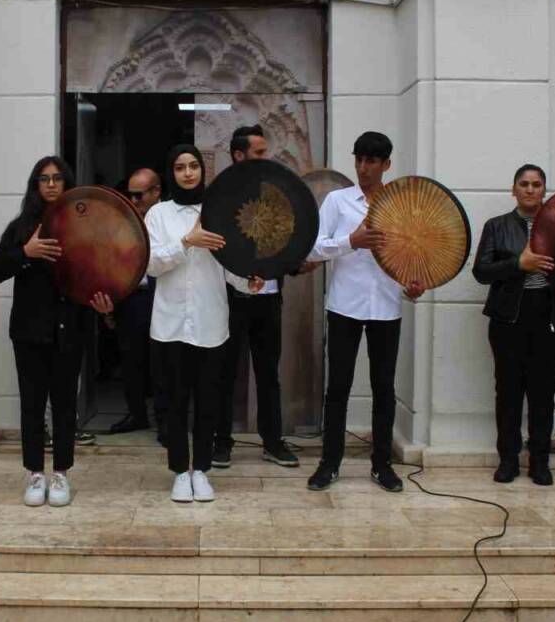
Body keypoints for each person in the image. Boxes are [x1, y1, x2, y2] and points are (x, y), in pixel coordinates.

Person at [0, 157, 111, 507]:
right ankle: (34, 474)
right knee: (31, 405)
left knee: (65, 406)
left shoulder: (87, 227)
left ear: (68, 185)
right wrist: (26, 252)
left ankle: (61, 474)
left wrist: (104, 304)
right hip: (29, 331)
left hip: (71, 329)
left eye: (57, 178)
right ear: (35, 185)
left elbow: (100, 275)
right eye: (44, 179)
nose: (51, 185)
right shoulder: (21, 228)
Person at [304, 132, 423, 494]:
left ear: (386, 165)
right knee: (337, 388)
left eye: (372, 161)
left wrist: (415, 286)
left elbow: (412, 255)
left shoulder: (403, 205)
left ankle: (382, 465)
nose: (363, 168)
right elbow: (312, 250)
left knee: (383, 389)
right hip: (344, 307)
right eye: (358, 160)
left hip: (387, 308)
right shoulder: (337, 202)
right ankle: (329, 463)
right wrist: (348, 242)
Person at [473, 164, 555, 486]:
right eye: (523, 184)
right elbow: (481, 271)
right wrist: (518, 264)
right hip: (508, 316)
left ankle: (540, 461)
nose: (529, 189)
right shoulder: (496, 227)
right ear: (514, 190)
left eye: (536, 184)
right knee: (508, 391)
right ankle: (508, 461)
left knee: (543, 391)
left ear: (544, 191)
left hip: (548, 316)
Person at [146, 145, 235, 503]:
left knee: (209, 400)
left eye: (193, 166)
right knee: (174, 402)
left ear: (202, 170)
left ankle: (202, 470)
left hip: (211, 320)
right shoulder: (158, 214)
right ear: (172, 172)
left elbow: (233, 262)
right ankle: (180, 471)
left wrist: (251, 282)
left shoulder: (220, 211)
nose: (187, 173)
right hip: (169, 324)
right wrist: (187, 241)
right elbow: (149, 264)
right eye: (180, 167)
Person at [213, 125, 299, 470]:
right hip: (230, 297)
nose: (267, 158)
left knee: (268, 374)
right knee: (224, 372)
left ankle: (273, 442)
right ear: (239, 155)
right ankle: (221, 442)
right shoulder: (221, 196)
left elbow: (287, 238)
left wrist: (291, 263)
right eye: (260, 152)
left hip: (269, 297)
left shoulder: (275, 192)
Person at [103, 166, 164, 437]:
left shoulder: (168, 217)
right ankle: (137, 414)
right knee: (131, 360)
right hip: (131, 298)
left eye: (139, 196)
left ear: (156, 192)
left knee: (163, 362)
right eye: (130, 195)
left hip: (163, 296)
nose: (134, 201)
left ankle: (166, 422)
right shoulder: (123, 218)